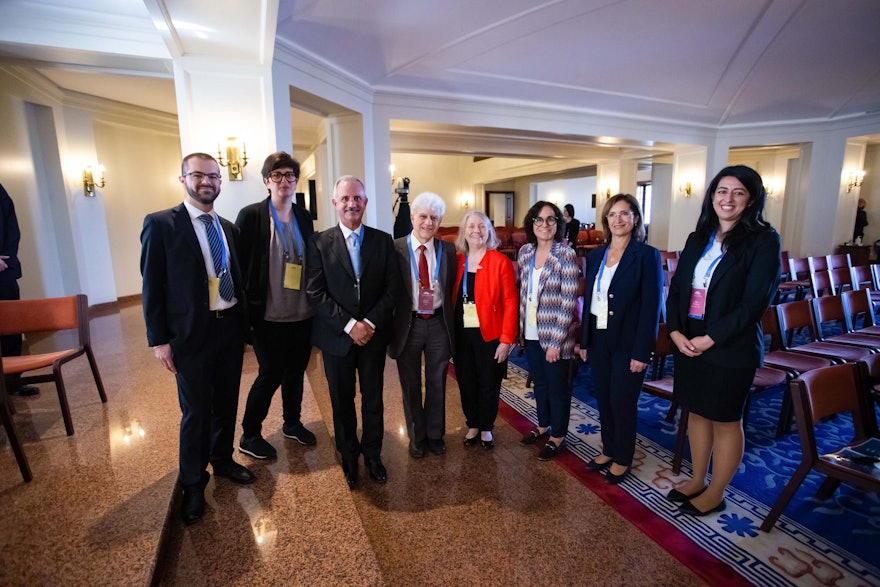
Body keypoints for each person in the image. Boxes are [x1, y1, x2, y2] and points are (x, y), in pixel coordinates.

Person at [140, 153, 255, 526]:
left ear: (221, 182)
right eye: (199, 175)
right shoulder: (161, 224)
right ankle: (192, 483)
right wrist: (159, 340)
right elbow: (151, 287)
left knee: (225, 402)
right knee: (195, 412)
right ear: (183, 179)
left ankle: (221, 460)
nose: (207, 182)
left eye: (214, 176)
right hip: (190, 334)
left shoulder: (228, 227)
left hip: (229, 327)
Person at [666, 165, 780, 516]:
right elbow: (678, 289)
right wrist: (674, 331)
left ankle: (717, 491)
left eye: (738, 192)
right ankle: (698, 478)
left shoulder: (763, 240)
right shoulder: (697, 237)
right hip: (689, 342)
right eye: (721, 191)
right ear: (712, 196)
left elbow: (754, 303)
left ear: (751, 200)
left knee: (726, 420)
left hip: (730, 348)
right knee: (697, 413)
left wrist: (710, 338)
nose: (727, 199)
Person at [306, 175, 399, 488]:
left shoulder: (383, 241)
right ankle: (348, 456)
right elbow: (315, 292)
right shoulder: (318, 242)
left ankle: (373, 455)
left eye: (357, 198)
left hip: (372, 338)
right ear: (335, 203)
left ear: (365, 202)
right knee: (341, 401)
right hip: (336, 339)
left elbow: (392, 288)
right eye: (345, 199)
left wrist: (368, 324)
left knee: (373, 399)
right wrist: (349, 325)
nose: (351, 204)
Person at [235, 152, 316, 461]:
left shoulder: (303, 215)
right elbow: (240, 267)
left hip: (302, 313)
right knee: (269, 373)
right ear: (267, 180)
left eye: (290, 176)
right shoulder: (252, 215)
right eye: (278, 175)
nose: (285, 181)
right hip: (267, 315)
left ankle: (292, 422)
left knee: (296, 371)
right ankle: (249, 434)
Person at [577, 194, 663, 484]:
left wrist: (643, 352)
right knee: (603, 398)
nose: (618, 220)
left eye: (624, 214)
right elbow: (591, 300)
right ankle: (608, 449)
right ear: (606, 220)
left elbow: (652, 307)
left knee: (622, 401)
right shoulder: (596, 255)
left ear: (635, 218)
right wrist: (585, 341)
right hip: (600, 340)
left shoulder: (647, 255)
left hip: (629, 344)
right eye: (612, 215)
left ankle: (623, 457)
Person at [388, 192, 457, 458]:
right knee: (410, 383)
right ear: (413, 218)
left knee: (437, 381)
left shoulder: (448, 249)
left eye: (434, 218)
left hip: (439, 323)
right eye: (423, 216)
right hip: (409, 324)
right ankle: (416, 436)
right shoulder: (395, 248)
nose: (428, 222)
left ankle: (435, 434)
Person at [516, 201, 579, 460]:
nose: (545, 225)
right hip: (530, 332)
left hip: (555, 337)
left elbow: (568, 301)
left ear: (558, 224)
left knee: (557, 387)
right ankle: (543, 425)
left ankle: (559, 435)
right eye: (539, 220)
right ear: (532, 224)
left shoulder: (565, 254)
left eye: (551, 219)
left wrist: (555, 342)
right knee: (540, 384)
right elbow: (523, 291)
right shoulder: (524, 252)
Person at [453, 211, 518, 449]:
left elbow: (511, 302)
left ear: (489, 231)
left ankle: (487, 427)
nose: (476, 230)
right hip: (461, 334)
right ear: (464, 231)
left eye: (482, 226)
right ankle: (473, 423)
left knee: (489, 380)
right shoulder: (457, 260)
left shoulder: (500, 262)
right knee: (466, 380)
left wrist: (507, 339)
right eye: (471, 226)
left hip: (490, 334)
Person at [0, 183, 39, 397]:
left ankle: (13, 382)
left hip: (3, 270)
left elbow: (11, 226)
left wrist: (6, 258)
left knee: (11, 328)